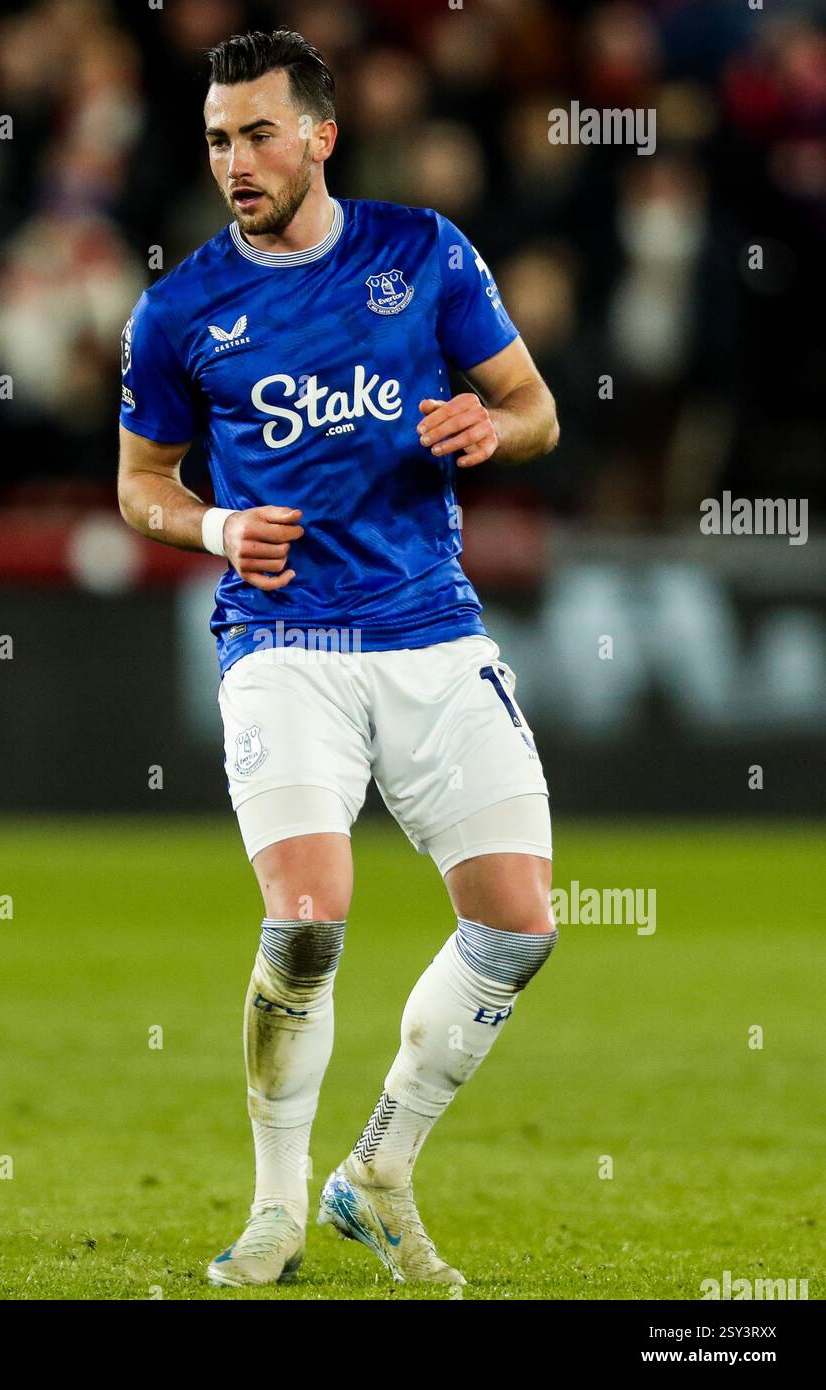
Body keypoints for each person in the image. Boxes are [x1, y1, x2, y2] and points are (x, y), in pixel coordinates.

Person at [116, 27, 560, 1288]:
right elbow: (139, 486)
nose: (235, 159)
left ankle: (375, 1170)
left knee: (520, 923)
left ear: (320, 135)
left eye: (258, 133)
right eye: (216, 138)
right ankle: (272, 1212)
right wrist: (211, 524)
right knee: (307, 918)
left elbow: (535, 406)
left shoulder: (423, 252)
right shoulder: (182, 308)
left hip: (431, 627)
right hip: (282, 646)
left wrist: (492, 422)